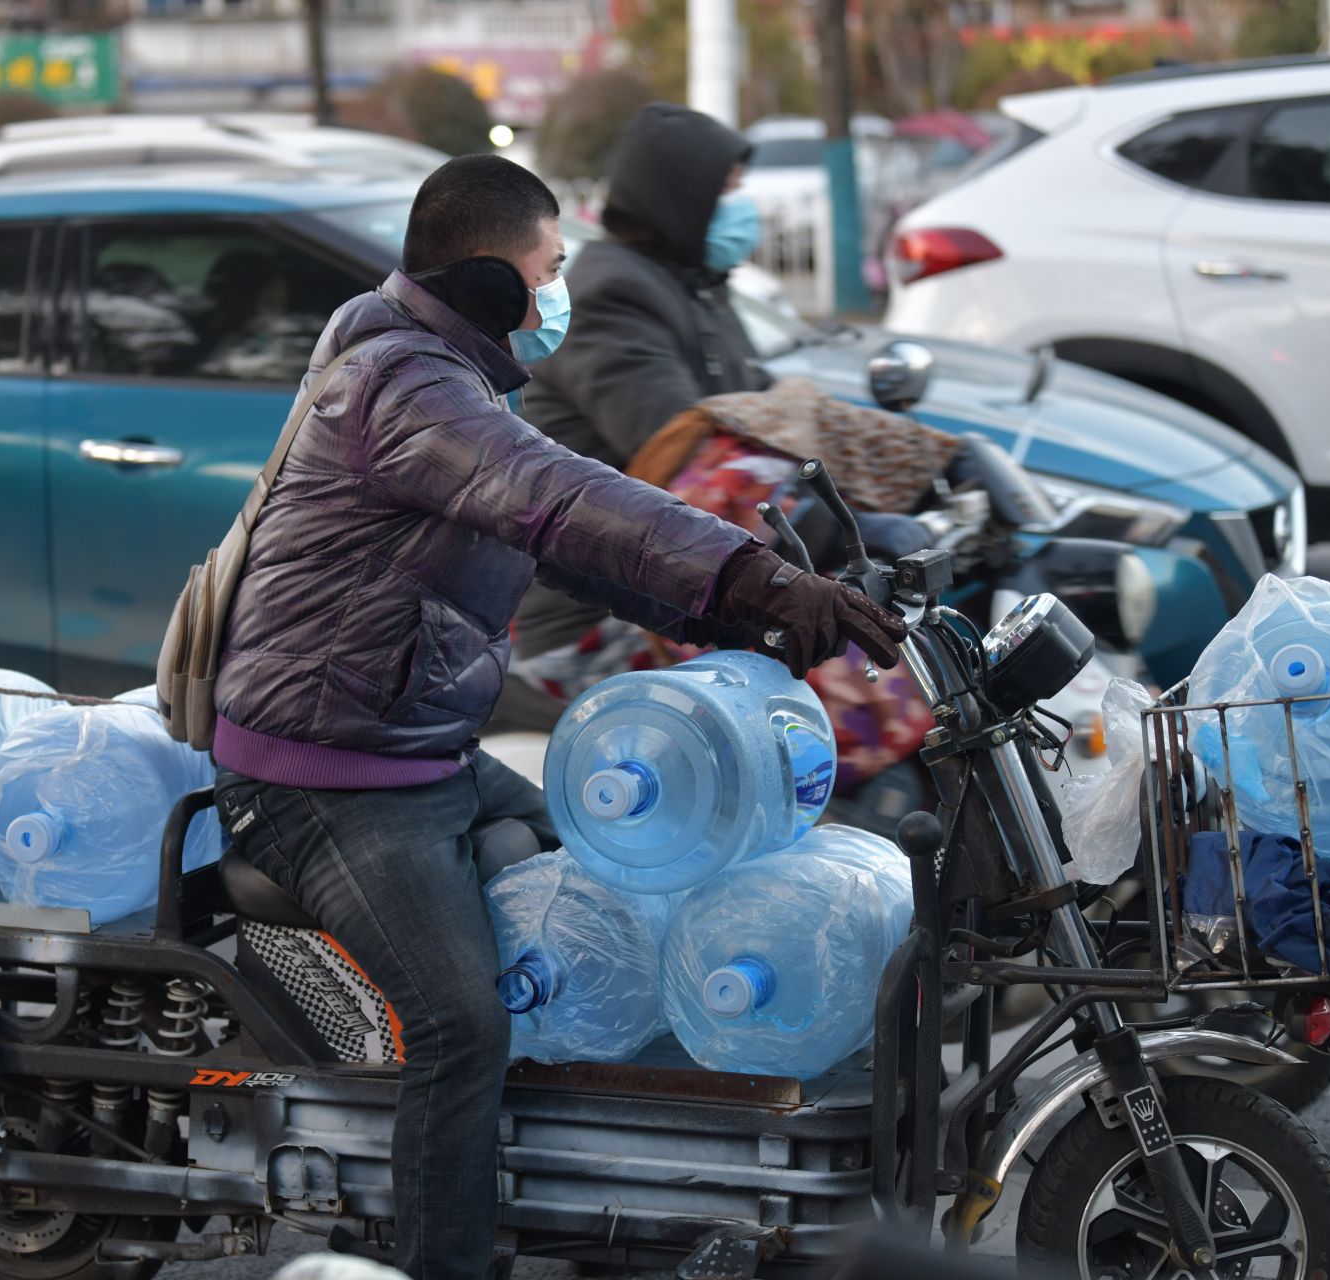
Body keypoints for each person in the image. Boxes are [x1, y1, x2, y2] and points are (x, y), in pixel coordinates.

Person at [207, 153, 905, 1280]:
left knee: (613, 908)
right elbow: (563, 494)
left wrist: (747, 609)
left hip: (414, 751)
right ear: (492, 283)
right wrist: (754, 581)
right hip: (323, 775)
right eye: (552, 269)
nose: (562, 290)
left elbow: (571, 541)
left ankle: (594, 1218)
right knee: (462, 1025)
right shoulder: (407, 386)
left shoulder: (450, 373)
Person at [509, 102, 775, 693]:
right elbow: (691, 454)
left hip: (686, 584)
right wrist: (845, 524)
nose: (743, 205)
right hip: (608, 619)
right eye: (728, 190)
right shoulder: (613, 295)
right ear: (682, 196)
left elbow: (768, 414)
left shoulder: (697, 286)